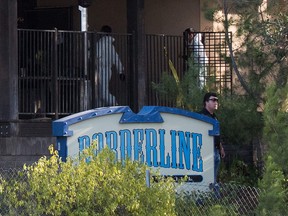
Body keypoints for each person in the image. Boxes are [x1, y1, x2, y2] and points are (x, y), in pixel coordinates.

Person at [199, 92, 225, 185]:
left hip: (216, 150)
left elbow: (216, 134)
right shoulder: (201, 116)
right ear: (206, 102)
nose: (216, 102)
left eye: (217, 100)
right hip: (207, 151)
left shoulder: (214, 117)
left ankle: (214, 198)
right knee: (207, 178)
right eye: (213, 100)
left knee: (213, 178)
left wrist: (221, 148)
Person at [95, 25, 125, 107]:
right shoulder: (111, 46)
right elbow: (116, 58)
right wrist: (120, 71)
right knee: (101, 92)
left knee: (102, 93)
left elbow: (96, 56)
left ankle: (115, 104)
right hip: (108, 70)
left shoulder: (100, 44)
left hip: (101, 69)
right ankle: (103, 109)